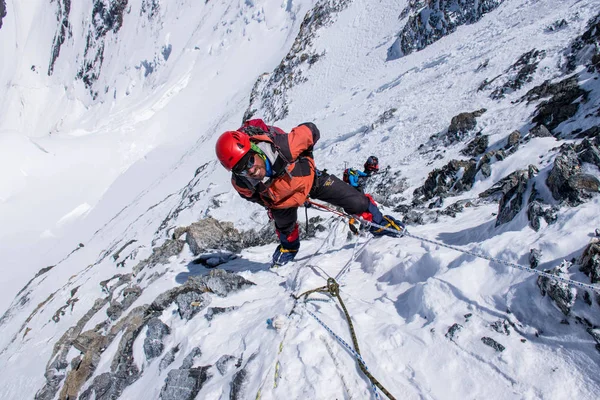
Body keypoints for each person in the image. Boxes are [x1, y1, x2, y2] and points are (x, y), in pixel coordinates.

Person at [215, 119, 404, 266]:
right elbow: (253, 196)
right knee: (285, 231)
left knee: (356, 202)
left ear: (255, 149)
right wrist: (272, 204)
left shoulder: (284, 146)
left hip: (312, 180)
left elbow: (311, 130)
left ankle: (379, 224)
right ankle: (288, 250)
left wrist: (306, 158)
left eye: (249, 161)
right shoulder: (241, 183)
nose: (249, 170)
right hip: (280, 202)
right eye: (240, 168)